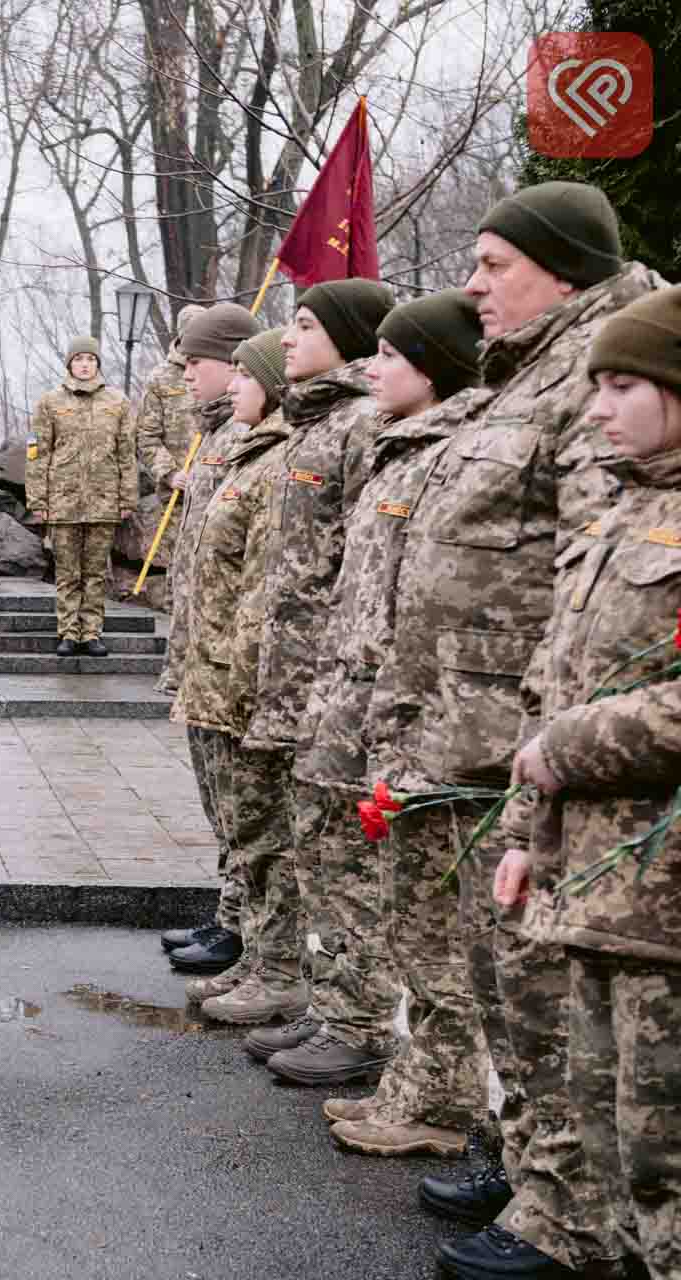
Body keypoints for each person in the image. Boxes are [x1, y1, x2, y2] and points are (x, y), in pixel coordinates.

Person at [364, 181, 663, 1280]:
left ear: (566, 266)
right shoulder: (532, 372)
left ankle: (564, 1200)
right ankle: (531, 1155)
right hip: (476, 734)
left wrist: (552, 746)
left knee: (540, 984)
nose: (472, 285)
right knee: (501, 977)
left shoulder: (605, 371)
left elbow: (600, 593)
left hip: (539, 745)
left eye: (494, 264)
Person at [494, 285, 681, 1280]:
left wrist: (578, 742)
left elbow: (584, 715)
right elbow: (555, 679)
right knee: (614, 1155)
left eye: (622, 385)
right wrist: (527, 829)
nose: (599, 407)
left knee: (667, 1162)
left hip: (667, 906)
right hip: (598, 890)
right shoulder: (623, 508)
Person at [284, 292, 491, 1149]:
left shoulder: (452, 451)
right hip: (370, 705)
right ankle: (424, 1086)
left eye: (392, 356)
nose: (373, 368)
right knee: (411, 917)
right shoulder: (403, 451)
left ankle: (442, 1100)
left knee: (435, 926)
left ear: (434, 366)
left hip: (437, 723)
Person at [231, 279, 393, 1051]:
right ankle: (323, 1001)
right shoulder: (314, 427)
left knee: (339, 861)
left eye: (304, 325)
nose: (287, 339)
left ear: (349, 335)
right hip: (288, 680)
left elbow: (363, 570)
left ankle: (352, 1017)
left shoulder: (361, 425)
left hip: (331, 683)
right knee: (302, 850)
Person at [168, 328, 302, 1029]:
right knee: (234, 820)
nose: (187, 374)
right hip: (211, 664)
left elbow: (262, 582)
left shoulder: (273, 454)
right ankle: (246, 937)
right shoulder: (231, 442)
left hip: (240, 674)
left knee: (256, 824)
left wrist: (236, 674)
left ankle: (264, 951)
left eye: (199, 362)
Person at [157, 302, 260, 983]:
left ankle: (244, 927)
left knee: (244, 810)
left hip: (231, 660)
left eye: (195, 362)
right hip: (201, 651)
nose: (185, 374)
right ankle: (230, 913)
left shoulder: (248, 437)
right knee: (220, 805)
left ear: (233, 362)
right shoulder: (216, 436)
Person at [24, 336, 135, 656]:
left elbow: (127, 453)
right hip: (63, 501)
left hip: (103, 501)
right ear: (69, 364)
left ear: (98, 363)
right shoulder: (50, 402)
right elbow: (37, 453)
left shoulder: (118, 402)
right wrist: (38, 500)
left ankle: (91, 633)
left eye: (90, 359)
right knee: (68, 572)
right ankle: (68, 633)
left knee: (96, 573)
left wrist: (127, 498)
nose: (84, 365)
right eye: (78, 359)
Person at [137, 302, 206, 497]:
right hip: (177, 495)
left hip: (215, 490)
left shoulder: (223, 370)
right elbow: (146, 436)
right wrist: (170, 473)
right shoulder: (159, 378)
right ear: (182, 335)